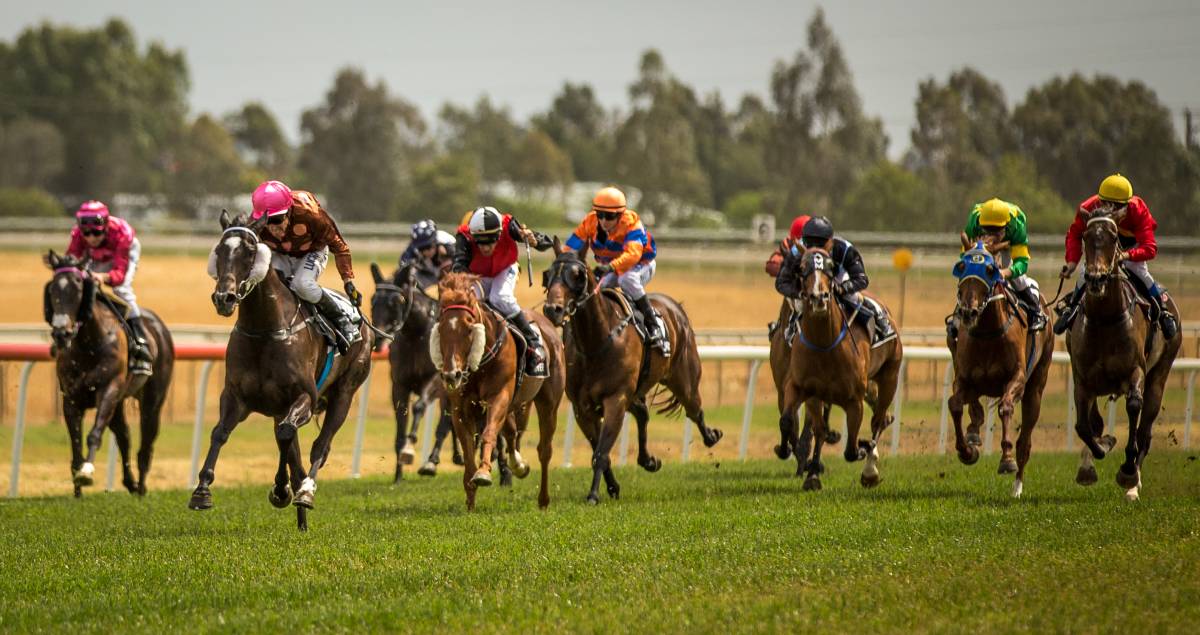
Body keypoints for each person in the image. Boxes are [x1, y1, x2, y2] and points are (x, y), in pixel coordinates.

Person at [1053, 174, 1178, 339]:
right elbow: (1074, 234)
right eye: (1106, 203)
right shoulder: (1088, 208)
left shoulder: (1138, 209)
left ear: (1127, 204)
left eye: (1118, 206)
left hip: (1130, 248)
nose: (1112, 209)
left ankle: (1163, 311)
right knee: (1084, 274)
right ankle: (1071, 308)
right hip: (1103, 250)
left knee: (1142, 274)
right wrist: (1071, 262)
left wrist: (1126, 255)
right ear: (1100, 200)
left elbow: (1149, 247)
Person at [249, 180, 362, 351]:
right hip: (280, 253)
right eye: (266, 221)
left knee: (302, 285)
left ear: (289, 210)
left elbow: (339, 246)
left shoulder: (310, 214)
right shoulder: (254, 223)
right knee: (273, 286)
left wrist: (347, 280)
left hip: (312, 251)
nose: (272, 228)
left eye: (277, 219)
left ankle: (342, 319)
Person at [563, 186, 669, 355]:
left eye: (610, 216)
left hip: (640, 264)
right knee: (594, 287)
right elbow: (571, 246)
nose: (604, 220)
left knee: (627, 280)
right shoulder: (590, 222)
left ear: (620, 215)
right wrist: (562, 259)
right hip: (612, 268)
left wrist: (610, 267)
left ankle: (653, 323)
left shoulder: (631, 223)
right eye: (600, 215)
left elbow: (633, 255)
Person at [450, 206, 553, 376]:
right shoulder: (464, 235)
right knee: (468, 304)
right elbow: (459, 264)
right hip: (477, 275)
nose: (485, 247)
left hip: (505, 269)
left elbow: (546, 242)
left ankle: (534, 344)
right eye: (480, 242)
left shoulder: (508, 225)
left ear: (499, 233)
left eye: (491, 241)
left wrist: (534, 240)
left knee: (499, 298)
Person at [775, 216, 896, 347]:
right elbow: (781, 282)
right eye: (810, 243)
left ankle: (879, 319)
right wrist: (799, 293)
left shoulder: (844, 248)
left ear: (830, 242)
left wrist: (842, 288)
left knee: (853, 297)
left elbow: (861, 279)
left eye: (820, 243)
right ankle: (791, 327)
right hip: (810, 281)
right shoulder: (796, 251)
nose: (815, 248)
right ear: (804, 240)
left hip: (837, 277)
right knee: (798, 304)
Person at [62, 200, 153, 373]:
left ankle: (141, 342)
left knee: (121, 290)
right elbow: (71, 263)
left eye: (96, 232)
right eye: (86, 233)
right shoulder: (77, 235)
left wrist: (104, 276)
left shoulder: (122, 234)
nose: (91, 238)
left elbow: (119, 274)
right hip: (97, 255)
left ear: (105, 226)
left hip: (123, 253)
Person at [950, 198, 1046, 337]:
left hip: (1008, 246)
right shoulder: (975, 219)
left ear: (1006, 226)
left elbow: (1022, 262)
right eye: (987, 231)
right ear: (981, 226)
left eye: (996, 232)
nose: (992, 237)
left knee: (1018, 279)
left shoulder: (1017, 221)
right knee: (970, 278)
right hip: (979, 248)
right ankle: (958, 317)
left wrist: (1005, 272)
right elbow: (964, 255)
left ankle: (1035, 311)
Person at [399, 219, 455, 288]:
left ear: (435, 242)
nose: (425, 252)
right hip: (429, 276)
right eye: (421, 248)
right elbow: (403, 265)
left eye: (428, 247)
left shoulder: (448, 243)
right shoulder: (412, 249)